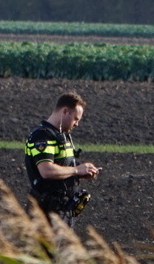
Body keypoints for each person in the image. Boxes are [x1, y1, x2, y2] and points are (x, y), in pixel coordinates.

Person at [25, 92, 100, 226]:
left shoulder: (62, 136)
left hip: (62, 211)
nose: (77, 124)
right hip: (46, 212)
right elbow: (46, 170)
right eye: (76, 119)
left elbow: (63, 168)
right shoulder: (42, 136)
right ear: (65, 111)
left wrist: (82, 173)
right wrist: (77, 170)